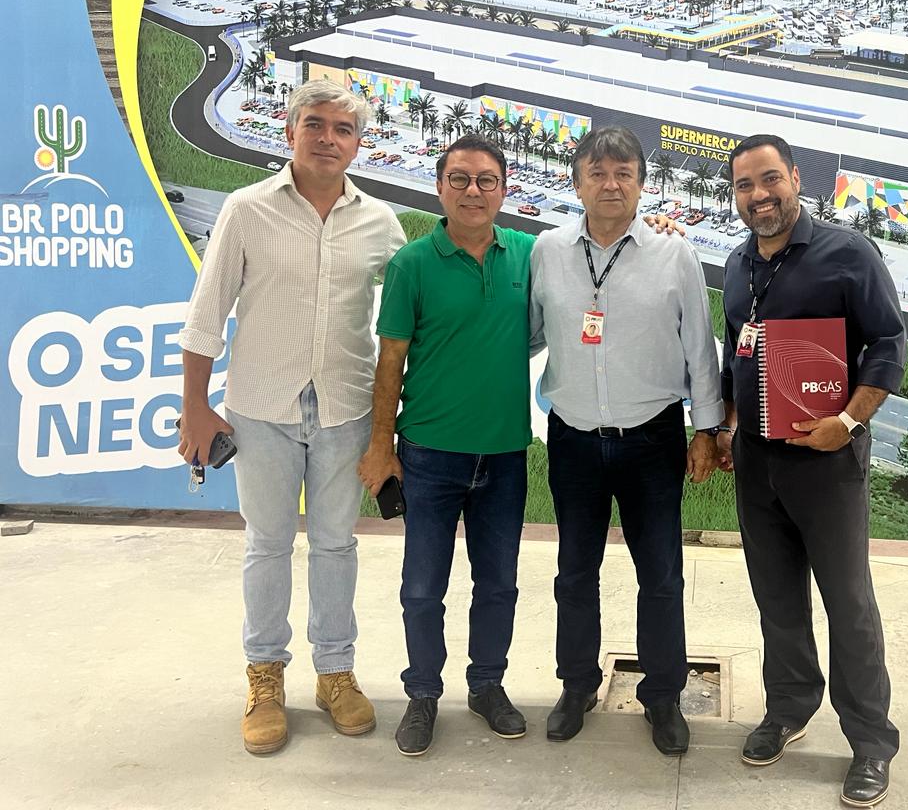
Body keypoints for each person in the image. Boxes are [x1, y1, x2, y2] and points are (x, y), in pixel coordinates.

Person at [178, 80, 404, 754]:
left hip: (345, 408)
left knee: (336, 544)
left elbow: (409, 315)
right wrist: (195, 405)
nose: (328, 138)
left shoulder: (381, 223)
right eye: (316, 125)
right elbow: (207, 311)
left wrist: (392, 425)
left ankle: (335, 672)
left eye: (343, 129)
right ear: (290, 132)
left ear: (358, 145)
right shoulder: (246, 210)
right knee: (267, 544)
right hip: (261, 407)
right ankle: (265, 678)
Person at [716, 133, 906, 807]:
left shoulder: (847, 253)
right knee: (776, 599)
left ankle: (871, 741)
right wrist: (724, 429)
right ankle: (789, 708)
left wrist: (848, 422)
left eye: (770, 179)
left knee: (848, 603)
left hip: (827, 464)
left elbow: (888, 342)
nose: (759, 195)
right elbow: (736, 357)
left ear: (796, 179)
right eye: (744, 185)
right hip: (757, 460)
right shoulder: (738, 263)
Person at [529, 126, 721, 755]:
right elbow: (527, 332)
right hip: (574, 437)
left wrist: (706, 430)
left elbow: (699, 348)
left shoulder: (675, 254)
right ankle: (577, 684)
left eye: (623, 173)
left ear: (642, 183)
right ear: (576, 182)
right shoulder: (548, 250)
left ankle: (662, 696)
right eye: (597, 173)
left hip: (652, 439)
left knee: (661, 574)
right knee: (574, 572)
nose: (610, 185)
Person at [359, 134, 536, 757]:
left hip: (505, 455)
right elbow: (390, 362)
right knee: (421, 588)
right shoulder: (412, 264)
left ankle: (487, 685)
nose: (472, 191)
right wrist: (381, 447)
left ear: (504, 189)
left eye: (486, 180)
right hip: (429, 455)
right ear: (439, 187)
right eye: (459, 178)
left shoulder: (529, 254)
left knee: (498, 585)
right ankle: (423, 694)